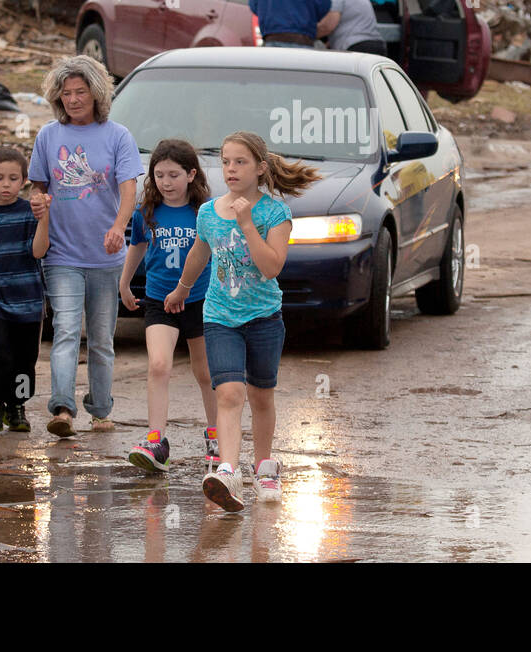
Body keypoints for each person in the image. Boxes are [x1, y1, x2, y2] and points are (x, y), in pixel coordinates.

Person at [165, 131, 321, 511]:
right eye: (225, 161)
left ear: (261, 168)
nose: (230, 169)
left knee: (261, 396)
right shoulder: (207, 213)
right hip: (220, 318)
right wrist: (182, 289)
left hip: (264, 318)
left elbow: (271, 267)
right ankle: (228, 470)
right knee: (229, 395)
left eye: (240, 162)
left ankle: (265, 467)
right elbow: (199, 254)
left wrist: (248, 223)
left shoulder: (274, 214)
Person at [29, 56, 143, 437]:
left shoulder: (118, 136)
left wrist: (119, 226)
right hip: (62, 253)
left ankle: (101, 408)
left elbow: (129, 188)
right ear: (57, 97)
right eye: (67, 93)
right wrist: (37, 203)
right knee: (65, 331)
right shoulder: (48, 136)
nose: (74, 99)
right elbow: (38, 187)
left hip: (106, 255)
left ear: (97, 94)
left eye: (81, 92)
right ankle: (62, 407)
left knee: (101, 339)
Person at [119, 139, 217, 472]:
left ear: (191, 174)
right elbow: (137, 246)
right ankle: (156, 440)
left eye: (173, 175)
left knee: (205, 372)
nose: (166, 182)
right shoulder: (147, 210)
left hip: (200, 301)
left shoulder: (205, 211)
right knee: (158, 365)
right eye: (159, 175)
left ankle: (216, 438)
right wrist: (124, 282)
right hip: (159, 300)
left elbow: (218, 253)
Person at [0, 147, 48, 433]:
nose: (6, 184)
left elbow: (39, 252)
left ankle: (17, 407)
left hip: (27, 299)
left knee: (25, 359)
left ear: (24, 181)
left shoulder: (30, 213)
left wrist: (44, 218)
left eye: (13, 178)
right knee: (0, 353)